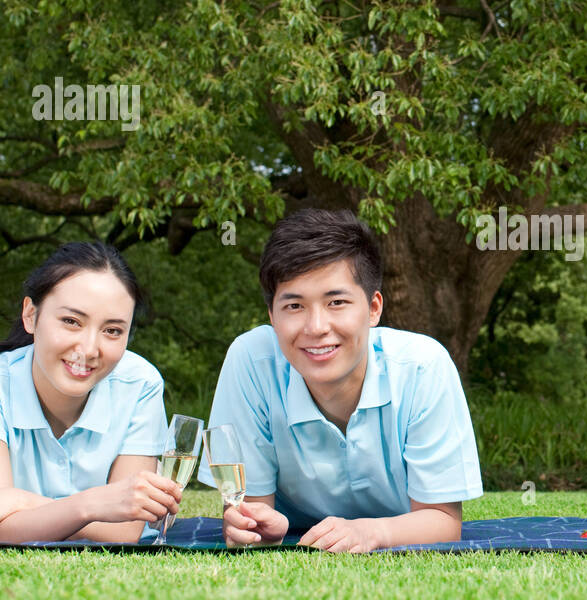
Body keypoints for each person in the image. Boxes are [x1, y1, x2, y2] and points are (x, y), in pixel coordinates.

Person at [202, 208, 483, 552]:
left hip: (392, 531)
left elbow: (442, 521)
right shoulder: (251, 361)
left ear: (374, 308)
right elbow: (251, 513)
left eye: (336, 302)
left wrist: (370, 533)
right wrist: (252, 525)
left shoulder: (423, 367)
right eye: (294, 306)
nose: (316, 327)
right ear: (271, 315)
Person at [0, 242, 182, 544]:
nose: (89, 349)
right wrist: (95, 505)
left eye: (112, 331)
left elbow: (126, 531)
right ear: (31, 315)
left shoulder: (141, 383)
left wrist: (18, 501)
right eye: (71, 321)